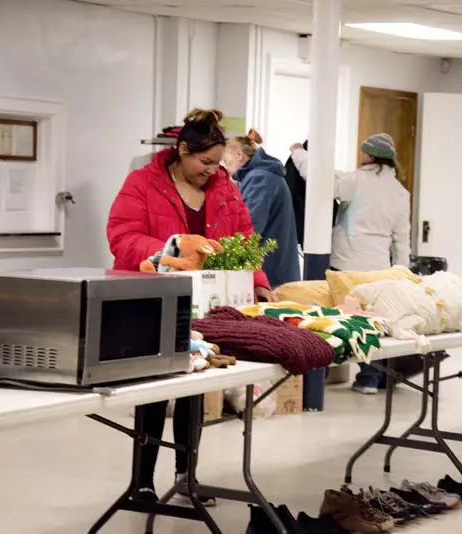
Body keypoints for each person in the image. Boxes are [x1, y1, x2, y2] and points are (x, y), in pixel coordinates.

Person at [106, 108, 273, 505]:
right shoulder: (143, 183)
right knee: (154, 391)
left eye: (218, 164)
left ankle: (186, 476)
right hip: (153, 298)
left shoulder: (225, 188)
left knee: (195, 389)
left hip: (205, 302)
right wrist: (172, 250)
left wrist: (260, 284)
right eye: (204, 162)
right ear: (182, 150)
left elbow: (245, 239)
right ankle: (142, 483)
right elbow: (121, 235)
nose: (211, 171)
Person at [291, 133, 411, 394]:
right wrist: (403, 273)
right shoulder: (401, 193)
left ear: (368, 155)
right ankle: (369, 379)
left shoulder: (356, 180)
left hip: (347, 262)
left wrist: (299, 153)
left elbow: (321, 181)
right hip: (380, 268)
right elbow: (402, 239)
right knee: (373, 321)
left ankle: (319, 377)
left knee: (338, 319)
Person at [224, 128, 301, 287]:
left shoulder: (259, 178)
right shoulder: (263, 175)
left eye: (226, 160)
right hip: (278, 269)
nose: (225, 167)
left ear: (239, 155)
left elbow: (250, 226)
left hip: (271, 272)